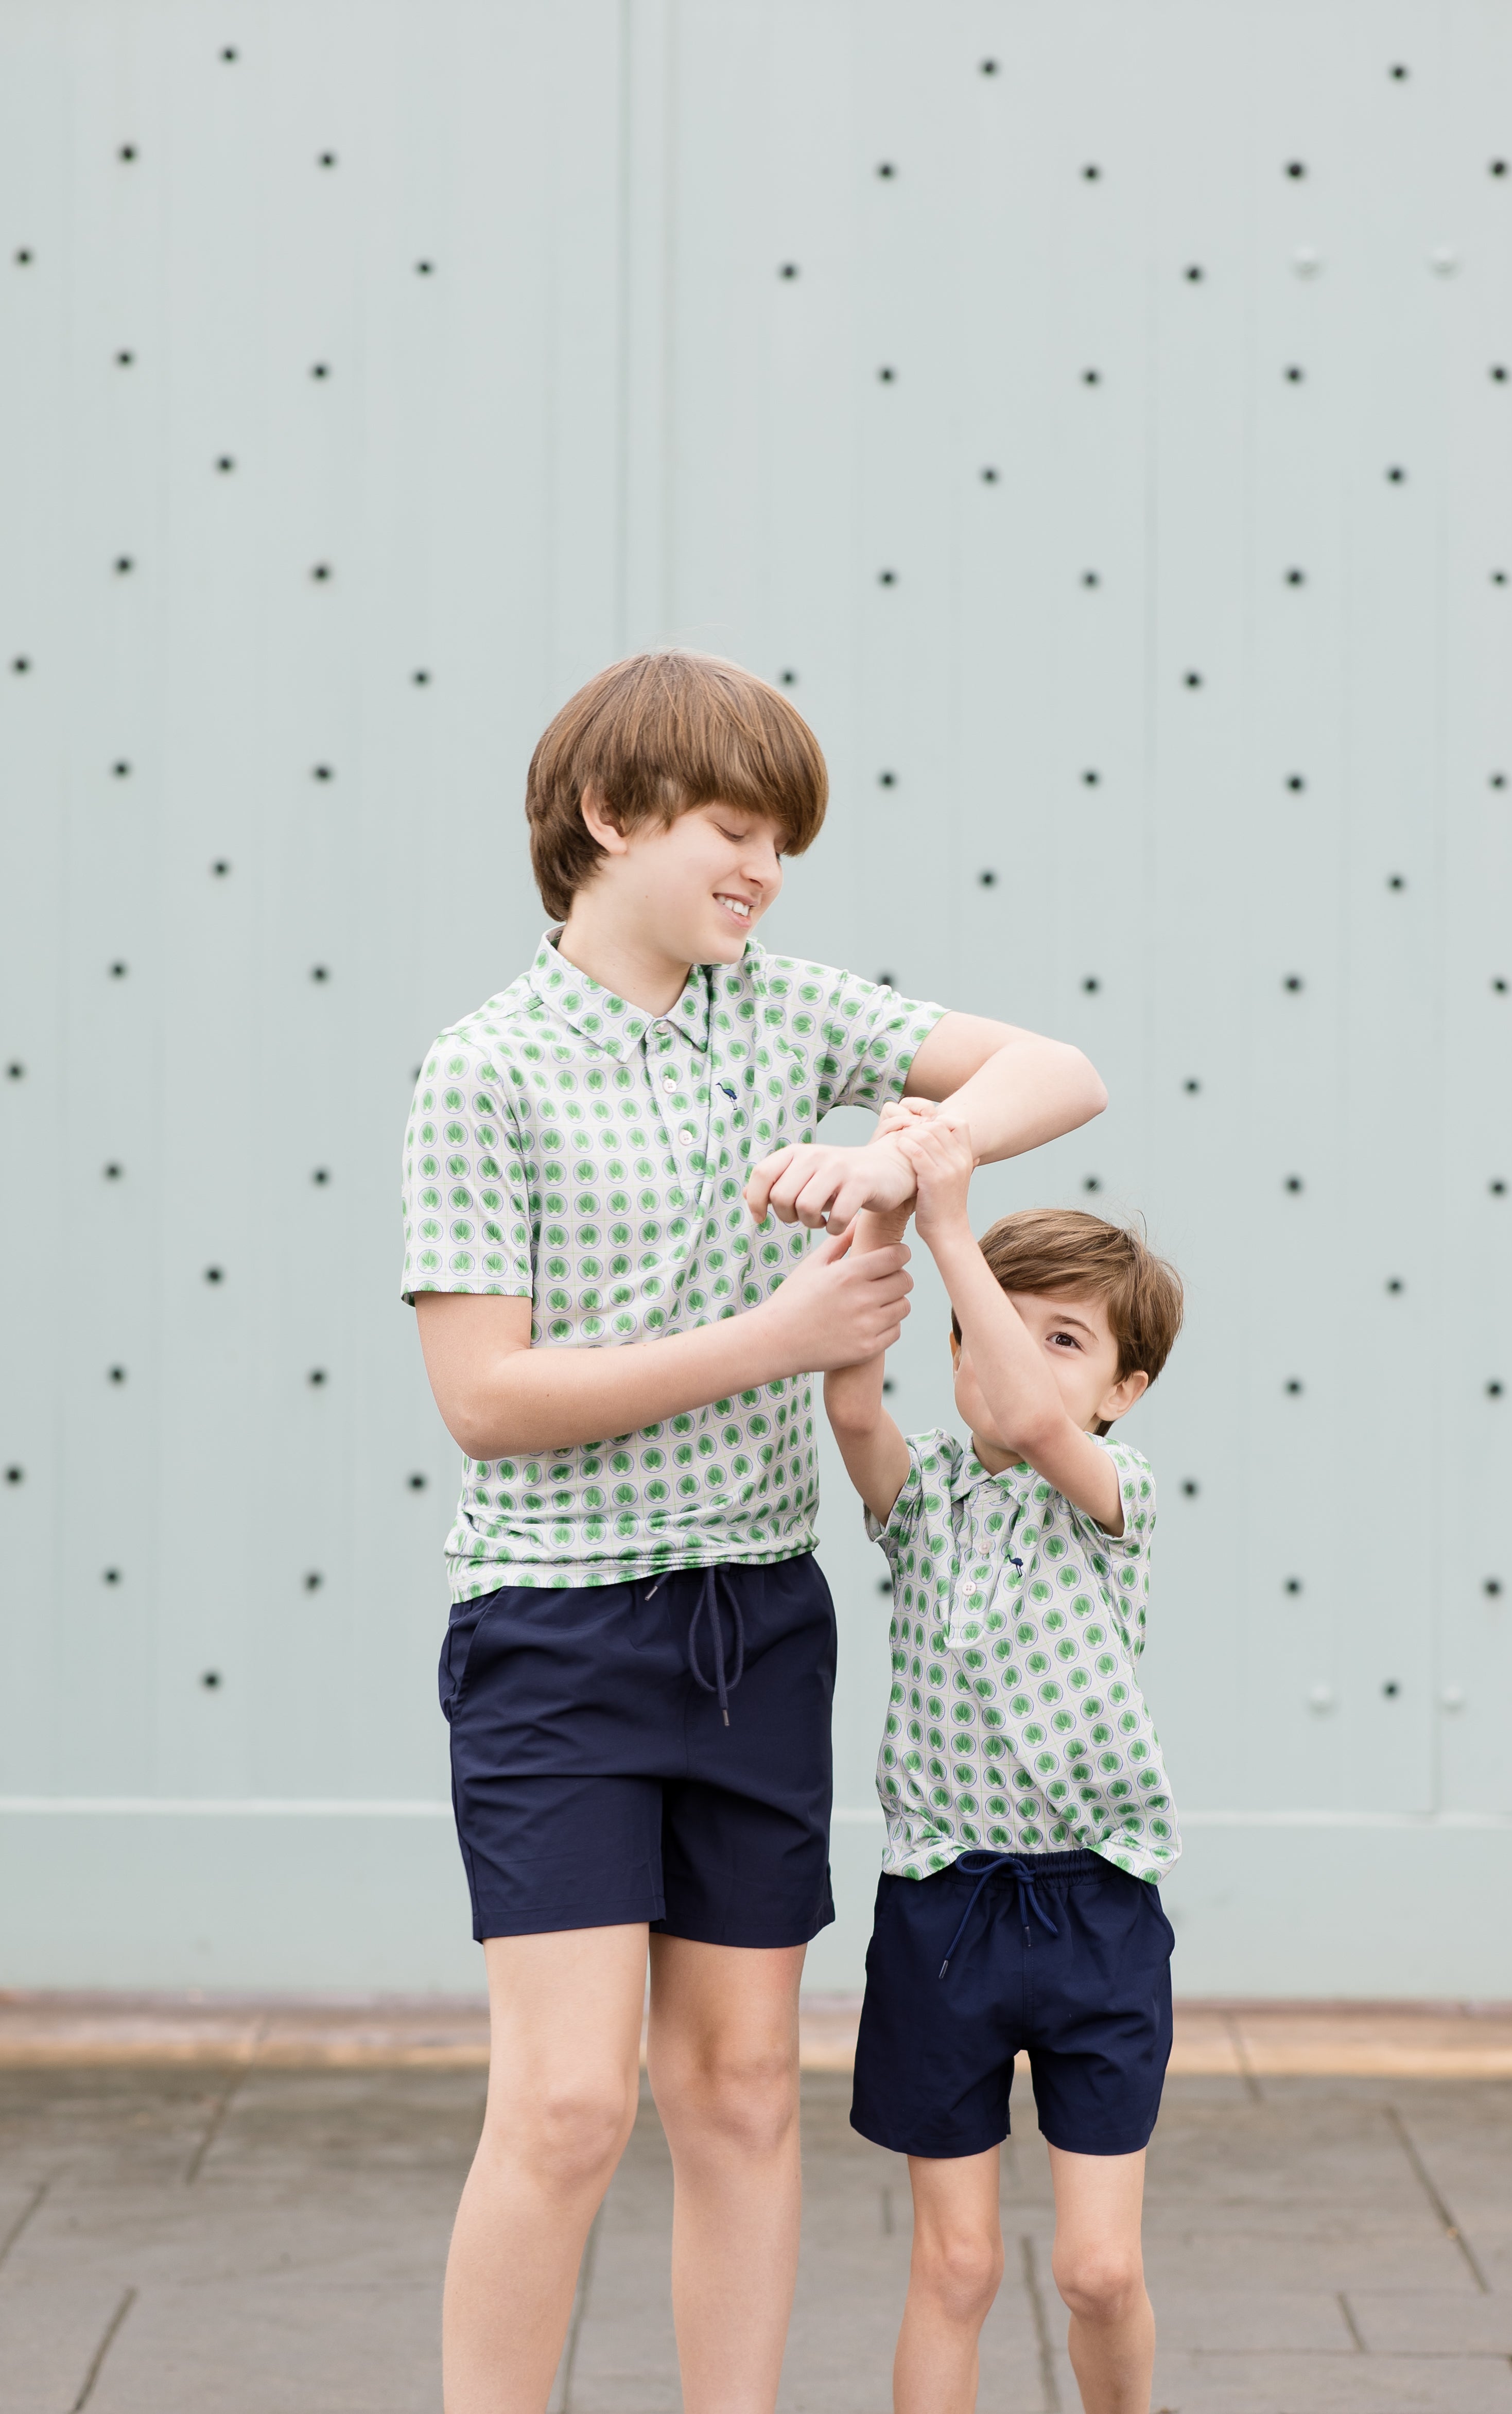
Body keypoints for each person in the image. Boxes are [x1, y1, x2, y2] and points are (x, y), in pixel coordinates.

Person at [400, 649, 1109, 2413]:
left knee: (734, 2092)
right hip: (557, 1635)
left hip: (757, 1629)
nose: (763, 871)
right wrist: (777, 1338)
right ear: (605, 815)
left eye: (781, 842)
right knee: (567, 2105)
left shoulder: (782, 1013)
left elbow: (1059, 1070)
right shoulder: (482, 1071)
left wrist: (902, 1156)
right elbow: (483, 1396)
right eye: (732, 830)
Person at [823, 1110, 1184, 2414]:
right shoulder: (922, 1495)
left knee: (1098, 2268)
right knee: (958, 2263)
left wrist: (953, 1225)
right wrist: (887, 1198)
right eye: (994, 1326)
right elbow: (851, 1400)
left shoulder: (1114, 1493)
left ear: (1121, 1389)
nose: (1020, 1358)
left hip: (1096, 1907)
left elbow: (1033, 1419)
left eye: (1066, 1338)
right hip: (945, 1909)